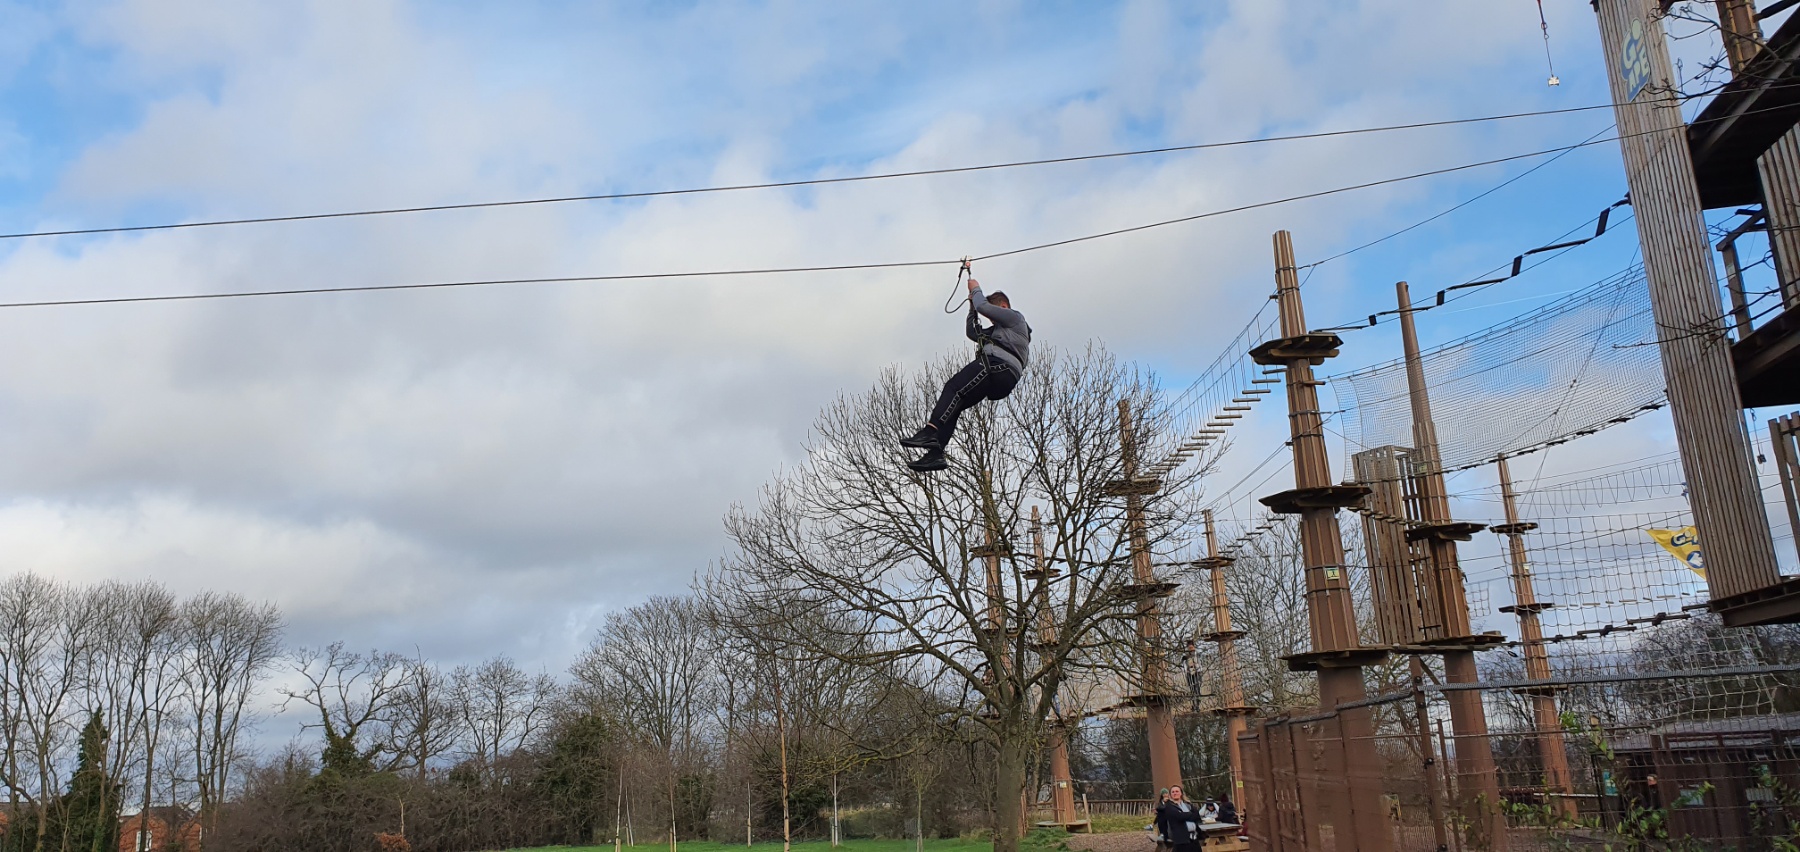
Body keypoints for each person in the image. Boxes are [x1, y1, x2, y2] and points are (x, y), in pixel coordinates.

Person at [900, 272, 1031, 472]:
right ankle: (935, 454)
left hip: (998, 366)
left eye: (994, 315)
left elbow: (983, 306)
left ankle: (930, 430)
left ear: (1003, 307)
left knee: (953, 387)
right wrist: (972, 307)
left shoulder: (1015, 319)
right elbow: (973, 333)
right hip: (1003, 376)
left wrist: (975, 289)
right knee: (956, 405)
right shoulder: (999, 332)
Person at [1155, 784, 1202, 852]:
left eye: (1177, 791)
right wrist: (1190, 815)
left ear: (1181, 793)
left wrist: (1186, 815)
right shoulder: (1169, 807)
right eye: (1173, 792)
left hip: (1194, 838)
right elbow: (1179, 817)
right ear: (1170, 795)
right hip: (1181, 839)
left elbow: (1197, 815)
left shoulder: (1188, 805)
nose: (1175, 793)